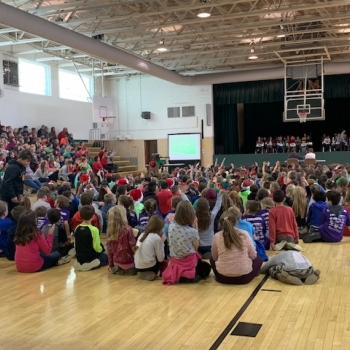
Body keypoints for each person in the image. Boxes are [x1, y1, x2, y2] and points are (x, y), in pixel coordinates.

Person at [162, 201, 211, 285]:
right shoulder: (192, 231)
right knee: (207, 267)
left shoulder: (171, 226)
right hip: (188, 262)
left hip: (175, 261)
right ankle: (190, 275)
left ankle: (183, 274)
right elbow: (195, 248)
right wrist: (195, 226)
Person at [210, 210, 263, 285]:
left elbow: (214, 257)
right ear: (236, 222)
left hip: (222, 278)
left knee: (211, 259)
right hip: (243, 278)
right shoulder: (244, 234)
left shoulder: (217, 236)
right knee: (259, 259)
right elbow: (253, 256)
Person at [73, 205, 108, 271]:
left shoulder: (77, 228)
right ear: (93, 216)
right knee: (106, 258)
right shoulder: (94, 229)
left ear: (80, 216)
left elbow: (75, 244)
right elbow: (97, 247)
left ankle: (80, 263)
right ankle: (91, 264)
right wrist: (102, 251)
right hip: (91, 256)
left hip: (79, 256)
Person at [0, 149, 32, 215]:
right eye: (27, 161)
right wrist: (13, 196)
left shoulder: (23, 167)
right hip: (8, 194)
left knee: (15, 212)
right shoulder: (13, 168)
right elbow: (8, 183)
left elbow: (20, 181)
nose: (28, 163)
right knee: (9, 213)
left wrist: (21, 192)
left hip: (16, 192)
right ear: (20, 158)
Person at [107, 206, 137, 275]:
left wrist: (110, 264)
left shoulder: (110, 230)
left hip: (116, 264)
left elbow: (109, 250)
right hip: (129, 264)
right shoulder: (128, 229)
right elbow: (133, 247)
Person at [135, 215, 166, 281]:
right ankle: (158, 273)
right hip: (150, 267)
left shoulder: (141, 235)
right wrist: (162, 242)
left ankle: (143, 274)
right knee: (161, 256)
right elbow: (161, 259)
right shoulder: (156, 238)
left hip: (138, 267)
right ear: (160, 228)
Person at [195, 192, 223, 258]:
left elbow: (188, 204)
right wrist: (220, 195)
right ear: (208, 206)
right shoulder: (211, 216)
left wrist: (182, 194)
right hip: (210, 244)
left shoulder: (194, 218)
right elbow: (217, 206)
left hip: (198, 245)